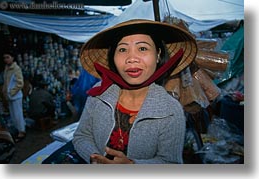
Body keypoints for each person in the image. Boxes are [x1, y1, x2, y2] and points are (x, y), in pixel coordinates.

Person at [72, 19, 197, 164]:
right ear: (113, 57)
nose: (131, 58)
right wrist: (95, 158)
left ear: (158, 55)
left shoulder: (170, 110)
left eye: (142, 48)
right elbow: (82, 136)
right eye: (122, 50)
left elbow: (170, 163)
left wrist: (132, 166)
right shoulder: (99, 94)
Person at [2, 51, 26, 142]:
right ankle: (18, 130)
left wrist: (11, 92)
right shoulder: (7, 68)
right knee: (13, 114)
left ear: (12, 58)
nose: (6, 60)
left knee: (18, 114)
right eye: (5, 58)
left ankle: (22, 131)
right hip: (10, 96)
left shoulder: (16, 69)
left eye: (8, 57)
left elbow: (20, 83)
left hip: (15, 96)